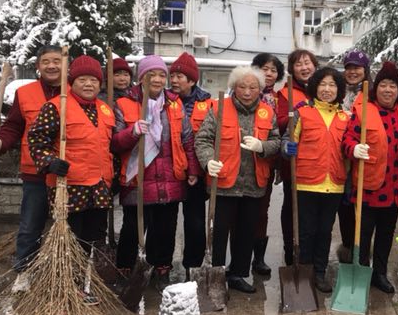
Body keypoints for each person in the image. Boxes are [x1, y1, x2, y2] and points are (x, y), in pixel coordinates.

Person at [27, 55, 115, 304]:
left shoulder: (105, 109)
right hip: (70, 186)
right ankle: (66, 286)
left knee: (93, 238)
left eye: (94, 80)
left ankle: (86, 283)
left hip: (99, 186)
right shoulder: (57, 107)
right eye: (83, 79)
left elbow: (108, 147)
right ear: (72, 81)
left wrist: (114, 177)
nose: (89, 84)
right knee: (70, 239)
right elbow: (37, 140)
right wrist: (49, 162)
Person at [111, 55, 200, 291]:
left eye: (162, 75)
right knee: (132, 228)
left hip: (170, 177)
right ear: (141, 78)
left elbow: (187, 139)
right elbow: (114, 143)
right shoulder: (125, 104)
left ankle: (161, 269)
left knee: (165, 229)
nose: (158, 80)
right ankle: (126, 270)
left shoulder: (174, 104)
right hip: (137, 178)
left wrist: (192, 169)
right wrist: (132, 132)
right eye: (152, 75)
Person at [0, 45, 63, 292]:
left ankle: (63, 273)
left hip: (67, 171)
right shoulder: (26, 93)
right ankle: (24, 272)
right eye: (46, 61)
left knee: (67, 226)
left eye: (57, 60)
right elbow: (14, 126)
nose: (51, 65)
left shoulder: (76, 92)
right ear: (38, 66)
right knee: (30, 225)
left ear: (65, 64)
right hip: (35, 171)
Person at [195, 66, 281, 293]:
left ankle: (238, 274)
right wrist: (207, 161)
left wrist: (262, 146)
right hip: (224, 183)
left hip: (253, 184)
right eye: (242, 86)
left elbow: (276, 142)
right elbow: (203, 139)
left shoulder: (267, 112)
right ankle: (216, 273)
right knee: (219, 232)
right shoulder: (218, 108)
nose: (247, 92)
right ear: (234, 87)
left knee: (246, 232)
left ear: (260, 89)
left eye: (253, 87)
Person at [342, 61, 398, 293]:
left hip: (395, 186)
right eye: (383, 85)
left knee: (386, 234)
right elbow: (347, 139)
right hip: (369, 185)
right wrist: (353, 149)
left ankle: (379, 273)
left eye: (393, 86)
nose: (388, 90)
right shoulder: (363, 110)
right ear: (376, 87)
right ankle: (360, 270)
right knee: (362, 234)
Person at [281, 67, 348, 293]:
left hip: (334, 184)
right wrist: (286, 147)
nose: (327, 89)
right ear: (315, 87)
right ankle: (304, 271)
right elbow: (286, 140)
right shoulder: (302, 112)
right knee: (306, 231)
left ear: (339, 89)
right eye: (322, 84)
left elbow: (348, 148)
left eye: (332, 85)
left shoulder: (345, 117)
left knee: (324, 231)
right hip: (306, 182)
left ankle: (320, 272)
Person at [169, 51, 214, 279]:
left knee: (195, 222)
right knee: (166, 222)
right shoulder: (164, 101)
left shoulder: (209, 104)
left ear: (192, 80)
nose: (174, 80)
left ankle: (192, 266)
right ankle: (162, 264)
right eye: (172, 76)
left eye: (180, 77)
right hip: (170, 170)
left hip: (197, 172)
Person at [277, 49, 318, 265]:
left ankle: (310, 253)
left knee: (314, 212)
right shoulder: (286, 93)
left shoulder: (322, 89)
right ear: (292, 69)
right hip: (294, 160)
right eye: (299, 64)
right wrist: (298, 114)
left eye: (307, 63)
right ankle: (291, 250)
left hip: (319, 162)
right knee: (292, 208)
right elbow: (279, 121)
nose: (304, 67)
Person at [251, 52, 285, 274]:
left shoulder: (279, 99)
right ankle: (239, 257)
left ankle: (259, 258)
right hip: (241, 160)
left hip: (267, 160)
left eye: (273, 70)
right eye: (265, 68)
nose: (269, 73)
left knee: (261, 210)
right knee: (239, 212)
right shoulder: (243, 91)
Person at [337, 49, 372, 263]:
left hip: (362, 157)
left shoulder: (372, 94)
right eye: (349, 67)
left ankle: (361, 251)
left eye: (357, 68)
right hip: (338, 156)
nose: (352, 71)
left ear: (365, 70)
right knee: (344, 206)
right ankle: (348, 246)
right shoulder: (337, 90)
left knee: (360, 206)